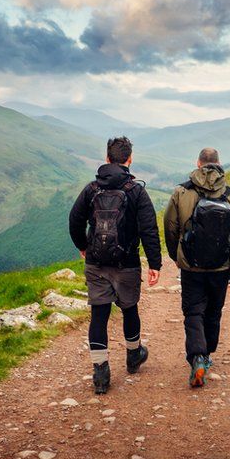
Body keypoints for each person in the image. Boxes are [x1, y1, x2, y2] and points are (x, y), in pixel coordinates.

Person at [69, 137, 162, 394]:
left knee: (99, 314)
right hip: (127, 263)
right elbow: (149, 229)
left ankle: (101, 374)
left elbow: (74, 220)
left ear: (107, 158)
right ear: (129, 159)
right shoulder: (136, 191)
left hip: (96, 262)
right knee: (129, 309)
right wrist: (155, 263)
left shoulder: (91, 189)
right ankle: (134, 356)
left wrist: (83, 246)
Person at [163, 147, 230, 388]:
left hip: (191, 266)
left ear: (198, 163)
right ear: (219, 164)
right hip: (220, 267)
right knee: (213, 312)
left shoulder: (182, 191)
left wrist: (177, 255)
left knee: (193, 312)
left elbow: (170, 226)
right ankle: (207, 354)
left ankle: (197, 356)